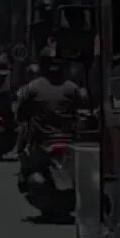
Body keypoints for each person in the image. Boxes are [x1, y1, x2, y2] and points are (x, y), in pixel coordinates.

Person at [14, 56, 86, 184]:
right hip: (68, 140)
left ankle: (24, 172)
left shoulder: (33, 87)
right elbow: (83, 105)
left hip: (43, 140)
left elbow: (20, 109)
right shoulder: (71, 87)